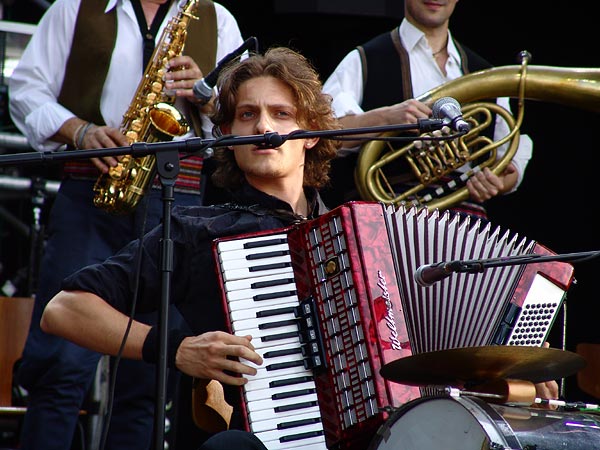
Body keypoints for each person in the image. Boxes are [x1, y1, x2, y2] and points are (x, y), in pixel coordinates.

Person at [38, 46, 339, 448]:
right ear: (228, 137)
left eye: (281, 114)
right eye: (247, 115)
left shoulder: (353, 232)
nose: (263, 126)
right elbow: (63, 309)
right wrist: (176, 348)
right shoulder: (198, 231)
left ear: (312, 135)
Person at [8, 0, 243, 448]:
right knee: (60, 364)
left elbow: (247, 117)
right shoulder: (74, 7)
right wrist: (78, 130)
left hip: (179, 199)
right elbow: (25, 90)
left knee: (152, 377)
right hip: (90, 193)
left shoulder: (217, 18)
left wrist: (208, 95)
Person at [321, 0, 533, 219]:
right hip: (386, 220)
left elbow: (509, 157)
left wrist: (499, 182)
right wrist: (386, 117)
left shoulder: (487, 74)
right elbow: (323, 135)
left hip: (464, 223)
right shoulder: (363, 59)